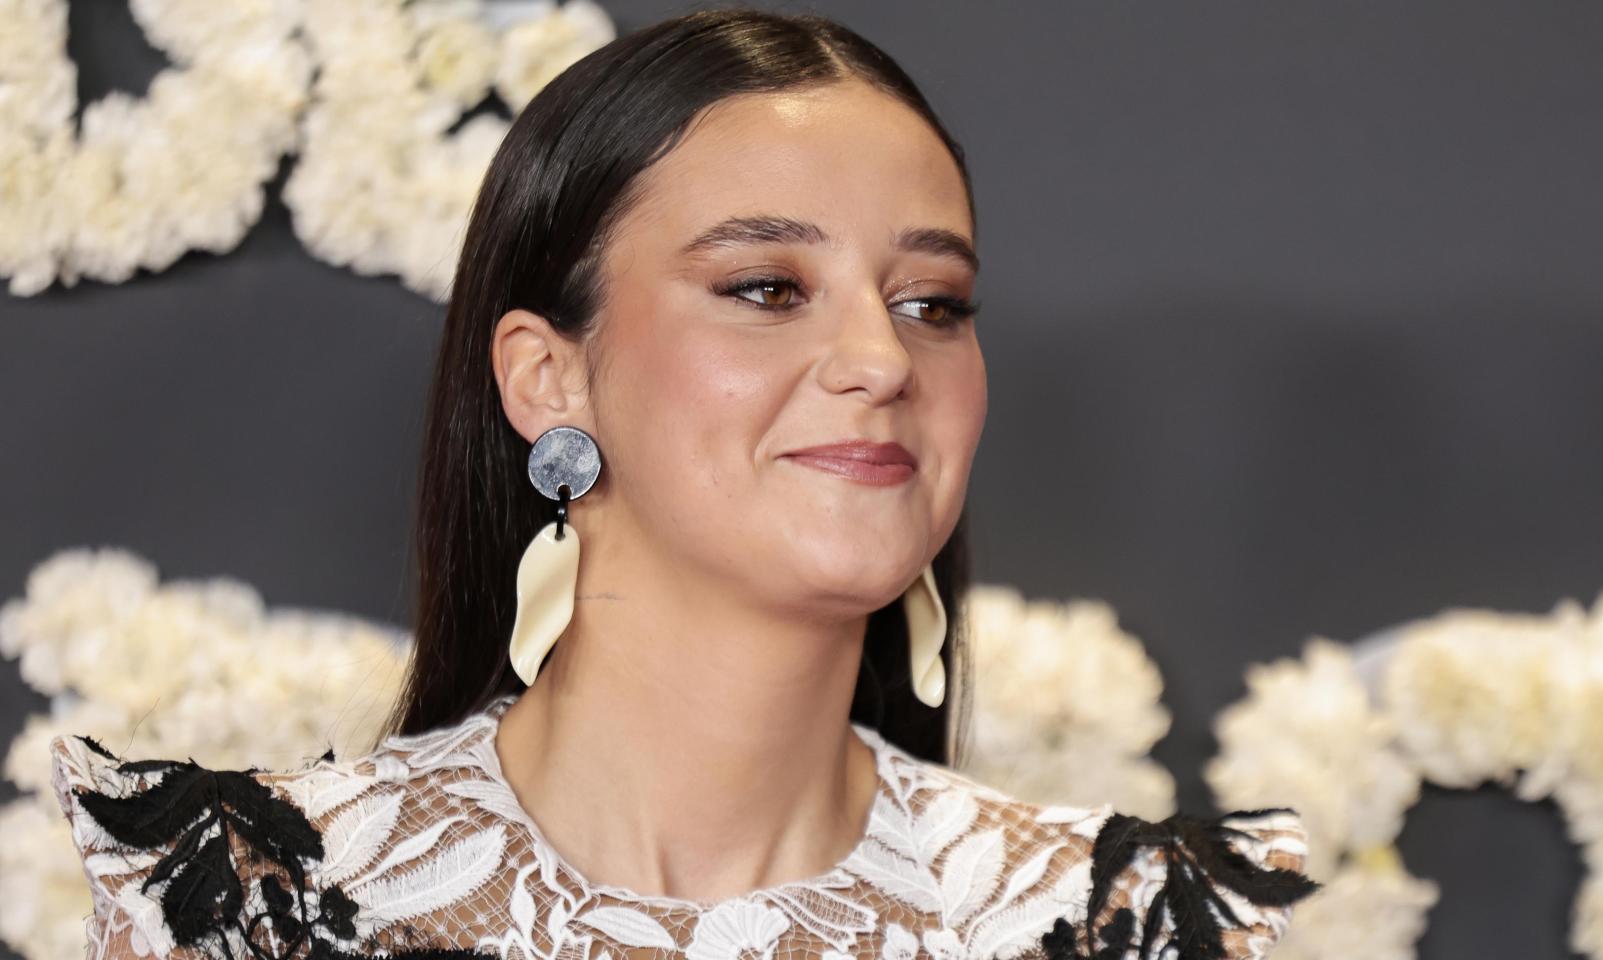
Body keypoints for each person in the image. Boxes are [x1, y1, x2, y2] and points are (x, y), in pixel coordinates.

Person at [47, 8, 1319, 959]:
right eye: (766, 289)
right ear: (549, 376)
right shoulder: (246, 903)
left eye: (932, 302)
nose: (880, 360)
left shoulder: (1131, 926)